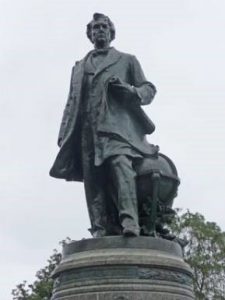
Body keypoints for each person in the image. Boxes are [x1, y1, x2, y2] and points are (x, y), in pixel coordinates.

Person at [50, 13, 158, 238]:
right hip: (86, 131)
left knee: (121, 166)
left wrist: (132, 91)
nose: (99, 30)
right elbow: (71, 101)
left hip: (117, 128)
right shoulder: (79, 67)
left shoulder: (127, 60)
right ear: (90, 35)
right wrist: (64, 133)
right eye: (95, 28)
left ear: (111, 32)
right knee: (93, 180)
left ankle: (130, 222)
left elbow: (148, 90)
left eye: (103, 27)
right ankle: (99, 229)